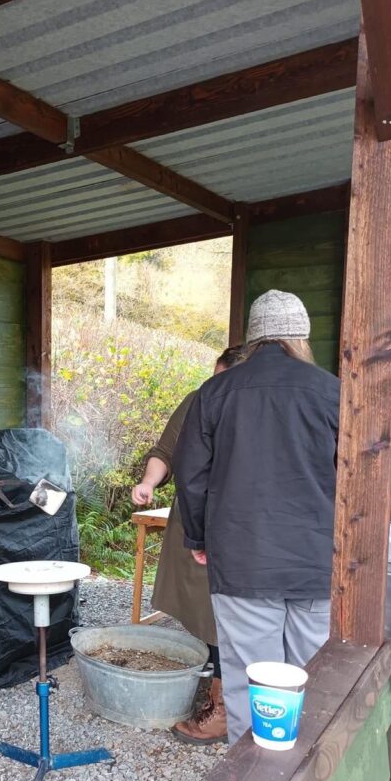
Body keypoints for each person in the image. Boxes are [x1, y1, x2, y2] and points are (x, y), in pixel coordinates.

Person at [173, 290, 340, 744]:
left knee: (252, 680)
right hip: (316, 560)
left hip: (242, 559)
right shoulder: (332, 392)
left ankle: (252, 778)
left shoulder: (215, 392)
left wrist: (198, 538)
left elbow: (190, 474)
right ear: (301, 337)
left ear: (253, 339)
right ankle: (316, 769)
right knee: (315, 674)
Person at [131, 346, 244, 744]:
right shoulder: (198, 400)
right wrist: (148, 482)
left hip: (242, 523)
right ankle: (218, 690)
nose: (214, 387)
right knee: (203, 610)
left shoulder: (257, 408)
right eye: (212, 378)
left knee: (233, 614)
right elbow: (165, 451)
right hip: (196, 520)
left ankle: (228, 705)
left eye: (222, 380)